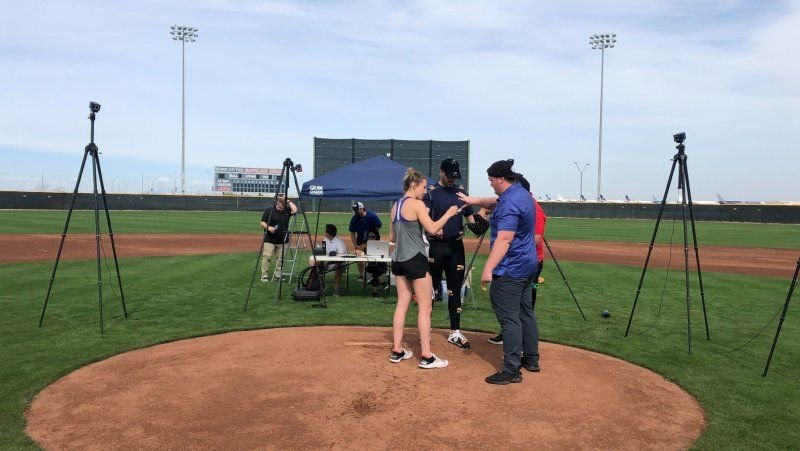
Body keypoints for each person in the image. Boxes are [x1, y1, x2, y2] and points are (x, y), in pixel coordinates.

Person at [459, 159, 539, 385]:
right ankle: (531, 359)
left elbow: (504, 240)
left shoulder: (509, 205)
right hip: (528, 264)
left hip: (510, 268)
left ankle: (512, 369)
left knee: (509, 318)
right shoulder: (521, 193)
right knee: (525, 312)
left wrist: (488, 269)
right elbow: (494, 199)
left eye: (491, 180)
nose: (491, 184)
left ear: (500, 179)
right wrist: (471, 200)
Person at [389, 167, 459, 369]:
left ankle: (397, 350)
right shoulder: (417, 204)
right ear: (414, 184)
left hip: (398, 259)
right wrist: (449, 213)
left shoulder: (395, 206)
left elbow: (392, 237)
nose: (425, 191)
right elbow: (433, 228)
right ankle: (427, 355)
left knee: (402, 303)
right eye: (423, 187)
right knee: (425, 307)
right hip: (415, 258)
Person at [423, 158, 480, 349]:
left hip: (456, 247)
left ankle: (455, 332)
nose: (451, 180)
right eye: (449, 176)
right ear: (441, 172)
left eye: (454, 177)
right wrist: (432, 229)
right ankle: (426, 331)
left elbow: (472, 222)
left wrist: (484, 215)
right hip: (435, 247)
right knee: (430, 291)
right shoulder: (430, 194)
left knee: (455, 290)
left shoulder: (461, 193)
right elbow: (423, 219)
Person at [488, 175, 547, 345]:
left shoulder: (531, 207)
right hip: (523, 261)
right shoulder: (521, 202)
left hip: (521, 263)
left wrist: (508, 238)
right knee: (520, 310)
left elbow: (536, 238)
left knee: (518, 311)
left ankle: (516, 350)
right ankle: (524, 349)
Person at [260, 195, 297, 282]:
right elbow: (262, 222)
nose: (281, 210)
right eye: (280, 208)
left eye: (283, 208)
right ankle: (264, 275)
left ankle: (278, 275)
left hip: (283, 240)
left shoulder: (287, 211)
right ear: (277, 203)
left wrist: (288, 201)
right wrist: (268, 228)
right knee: (267, 257)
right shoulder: (269, 210)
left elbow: (295, 210)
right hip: (269, 239)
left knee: (281, 259)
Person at [308, 224, 348, 295]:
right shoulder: (325, 240)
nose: (324, 232)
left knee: (338, 266)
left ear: (328, 233)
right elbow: (323, 252)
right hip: (327, 263)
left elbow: (341, 258)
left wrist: (327, 262)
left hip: (339, 263)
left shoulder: (339, 242)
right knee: (315, 263)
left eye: (325, 231)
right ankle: (316, 285)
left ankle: (336, 290)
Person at [349, 201, 383, 281]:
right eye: (354, 210)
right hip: (360, 242)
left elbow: (379, 225)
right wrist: (355, 245)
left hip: (372, 242)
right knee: (359, 258)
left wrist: (373, 232)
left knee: (372, 259)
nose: (355, 212)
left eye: (357, 210)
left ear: (362, 209)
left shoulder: (372, 216)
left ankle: (372, 275)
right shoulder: (355, 218)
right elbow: (352, 232)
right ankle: (362, 275)